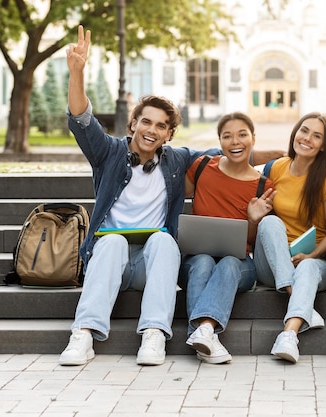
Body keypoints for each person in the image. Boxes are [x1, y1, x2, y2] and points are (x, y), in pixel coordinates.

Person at [59, 26, 280, 367]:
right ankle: (83, 335)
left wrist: (293, 157)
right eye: (146, 122)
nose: (151, 130)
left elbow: (232, 151)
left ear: (169, 134)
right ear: (133, 124)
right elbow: (82, 121)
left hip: (153, 263)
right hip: (108, 259)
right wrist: (77, 72)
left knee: (164, 241)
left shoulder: (177, 160)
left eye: (161, 126)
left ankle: (154, 335)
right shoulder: (109, 153)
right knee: (114, 242)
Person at [179, 112, 275, 364]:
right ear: (219, 141)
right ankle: (205, 333)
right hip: (195, 258)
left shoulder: (264, 186)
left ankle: (201, 331)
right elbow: (170, 194)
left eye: (242, 135)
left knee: (230, 262)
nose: (235, 142)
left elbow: (254, 242)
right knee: (202, 262)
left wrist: (253, 219)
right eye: (227, 136)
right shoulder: (201, 167)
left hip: (240, 264)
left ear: (253, 138)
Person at [254, 112, 326, 364]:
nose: (307, 139)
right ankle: (297, 297)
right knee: (270, 222)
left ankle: (289, 336)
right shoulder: (277, 167)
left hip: (313, 261)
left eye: (316, 136)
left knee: (308, 267)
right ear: (295, 133)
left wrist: (310, 255)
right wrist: (255, 214)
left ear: (323, 146)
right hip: (274, 262)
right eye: (304, 131)